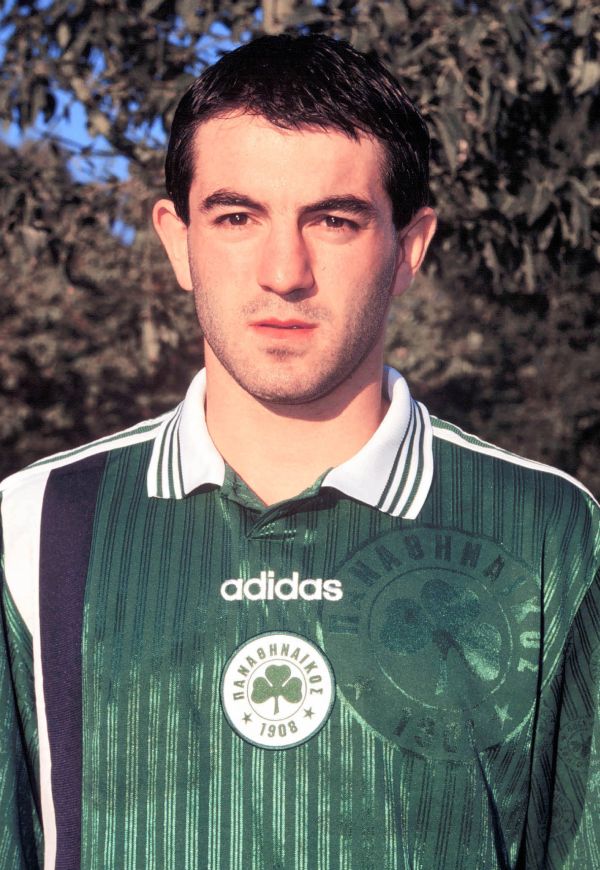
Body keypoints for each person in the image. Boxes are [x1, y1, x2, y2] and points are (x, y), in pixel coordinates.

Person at [1, 33, 598, 870]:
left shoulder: (550, 532)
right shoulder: (33, 525)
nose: (284, 271)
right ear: (176, 240)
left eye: (334, 220)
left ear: (408, 249)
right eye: (237, 217)